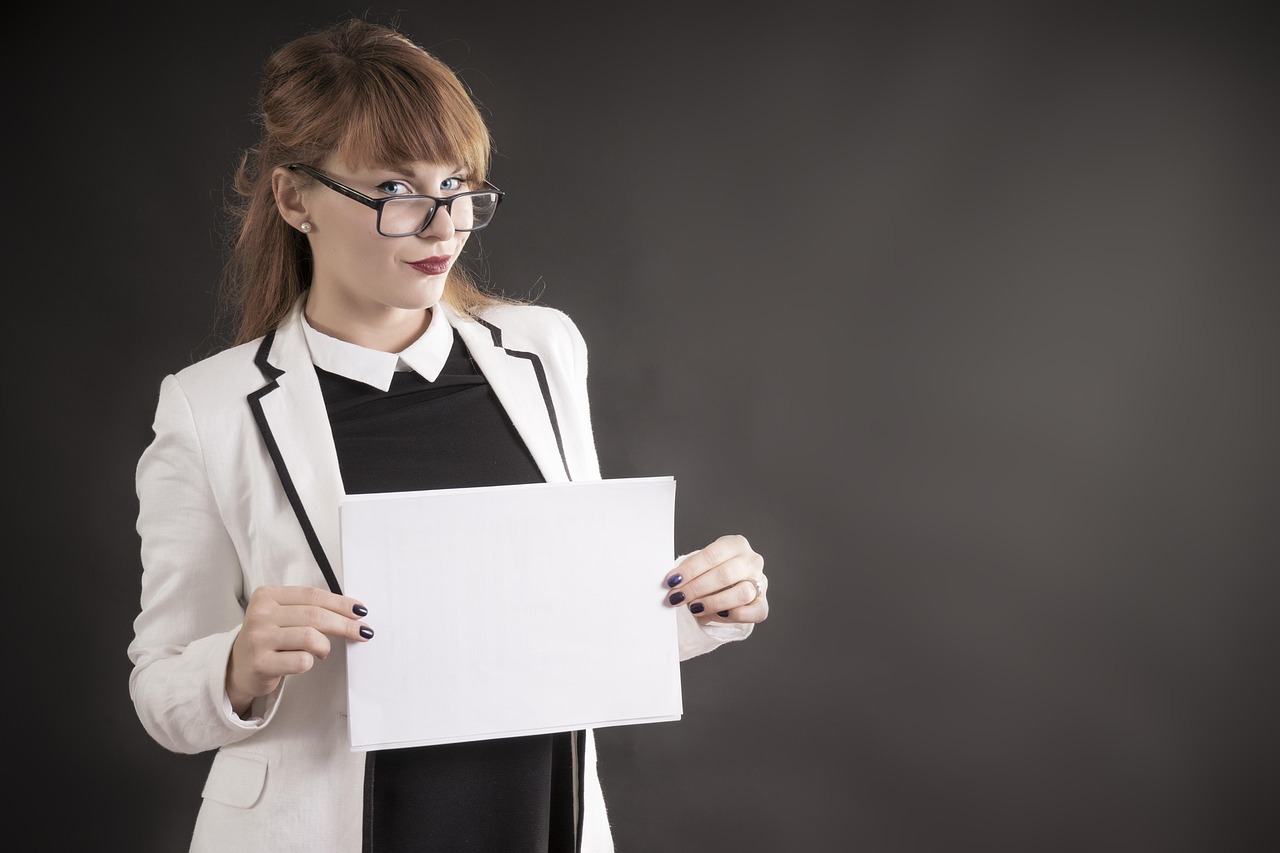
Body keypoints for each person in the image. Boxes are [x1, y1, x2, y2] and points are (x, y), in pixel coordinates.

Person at [127, 16, 770, 853]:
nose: (444, 226)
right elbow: (161, 688)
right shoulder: (208, 407)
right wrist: (240, 663)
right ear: (294, 197)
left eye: (459, 185)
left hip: (536, 817)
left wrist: (709, 605)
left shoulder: (542, 349)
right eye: (397, 191)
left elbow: (556, 626)